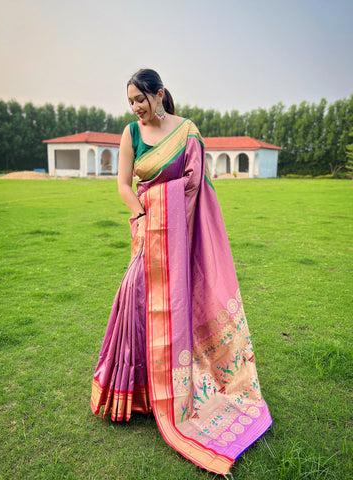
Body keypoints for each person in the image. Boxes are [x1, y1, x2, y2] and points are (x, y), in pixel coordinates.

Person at [91, 69, 272, 475]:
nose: (136, 107)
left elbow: (195, 189)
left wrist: (169, 218)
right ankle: (134, 394)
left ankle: (172, 393)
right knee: (137, 299)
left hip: (181, 234)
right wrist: (142, 215)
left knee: (176, 305)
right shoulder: (130, 134)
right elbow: (123, 184)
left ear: (158, 95)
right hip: (147, 231)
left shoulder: (187, 132)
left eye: (141, 99)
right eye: (131, 102)